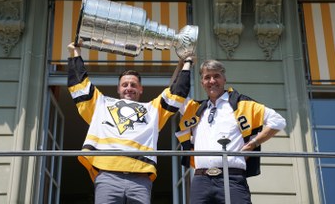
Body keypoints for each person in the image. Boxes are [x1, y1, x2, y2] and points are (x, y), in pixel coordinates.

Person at [67, 42, 194, 204]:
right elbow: (80, 85)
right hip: (107, 176)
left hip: (140, 179)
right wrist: (75, 53)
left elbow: (176, 93)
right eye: (124, 85)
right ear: (118, 89)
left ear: (141, 89)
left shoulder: (153, 110)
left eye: (133, 85)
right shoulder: (101, 104)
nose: (129, 88)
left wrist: (187, 63)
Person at [176, 59, 286, 204]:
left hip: (232, 178)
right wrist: (184, 63)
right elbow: (174, 94)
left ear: (224, 79)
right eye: (207, 77)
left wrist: (253, 144)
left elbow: (278, 121)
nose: (212, 81)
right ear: (202, 82)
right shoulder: (194, 109)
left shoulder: (241, 104)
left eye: (216, 76)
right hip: (201, 179)